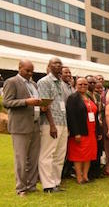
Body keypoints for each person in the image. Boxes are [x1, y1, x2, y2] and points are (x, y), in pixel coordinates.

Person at [3, 60, 42, 196]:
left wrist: (41, 105)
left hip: (35, 125)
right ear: (19, 68)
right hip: (20, 127)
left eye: (32, 71)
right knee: (21, 159)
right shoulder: (11, 82)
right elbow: (7, 102)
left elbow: (36, 102)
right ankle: (21, 188)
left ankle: (31, 185)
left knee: (33, 158)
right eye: (27, 71)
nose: (30, 74)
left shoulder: (34, 84)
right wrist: (26, 101)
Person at [37, 58, 72, 193]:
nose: (58, 65)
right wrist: (52, 125)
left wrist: (66, 126)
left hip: (63, 122)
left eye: (60, 64)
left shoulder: (61, 84)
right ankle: (48, 185)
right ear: (49, 66)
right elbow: (45, 105)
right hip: (50, 124)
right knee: (48, 154)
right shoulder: (44, 82)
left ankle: (56, 182)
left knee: (59, 155)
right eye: (55, 63)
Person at [66, 78, 101, 184]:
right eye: (80, 84)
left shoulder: (89, 96)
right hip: (80, 131)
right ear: (75, 85)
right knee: (79, 155)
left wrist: (98, 131)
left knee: (89, 155)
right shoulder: (73, 98)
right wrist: (76, 133)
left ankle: (86, 176)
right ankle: (79, 177)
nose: (83, 86)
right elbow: (71, 117)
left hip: (91, 131)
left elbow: (95, 115)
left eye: (85, 84)